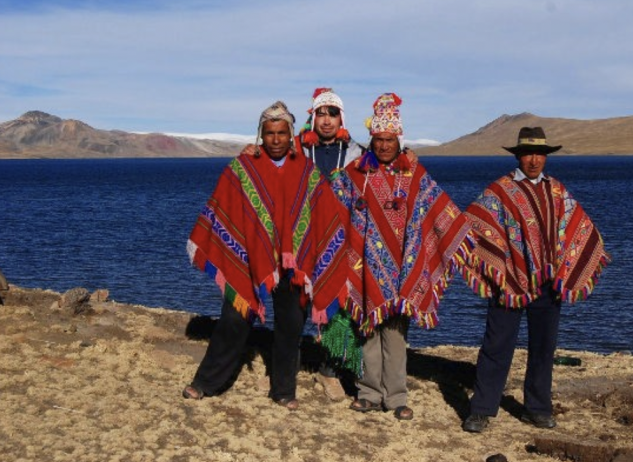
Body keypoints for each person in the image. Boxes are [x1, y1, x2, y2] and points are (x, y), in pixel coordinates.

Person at [182, 101, 348, 411]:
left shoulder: (306, 172)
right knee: (234, 319)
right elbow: (224, 202)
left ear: (291, 135)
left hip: (294, 263)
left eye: (281, 133)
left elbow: (324, 211)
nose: (275, 140)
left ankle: (283, 391)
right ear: (261, 134)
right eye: (269, 133)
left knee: (291, 324)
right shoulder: (243, 167)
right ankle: (206, 382)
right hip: (250, 261)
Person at [316, 92, 472, 421]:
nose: (384, 146)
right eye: (379, 139)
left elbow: (440, 210)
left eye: (389, 140)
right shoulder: (356, 174)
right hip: (363, 268)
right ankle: (369, 392)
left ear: (398, 140)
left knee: (396, 336)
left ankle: (397, 396)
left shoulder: (413, 174)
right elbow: (328, 205)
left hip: (403, 270)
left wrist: (470, 238)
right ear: (372, 140)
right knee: (367, 333)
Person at [459, 126, 610, 433]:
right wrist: (496, 263)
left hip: (548, 283)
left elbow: (577, 225)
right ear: (518, 156)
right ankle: (482, 409)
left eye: (539, 154)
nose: (533, 160)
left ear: (546, 157)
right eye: (528, 154)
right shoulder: (499, 190)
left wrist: (582, 254)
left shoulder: (557, 191)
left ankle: (537, 408)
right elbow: (473, 224)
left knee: (543, 347)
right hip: (509, 283)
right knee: (496, 345)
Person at [241, 87, 365, 401]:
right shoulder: (296, 147)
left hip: (339, 239)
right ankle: (284, 369)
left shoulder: (357, 154)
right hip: (297, 240)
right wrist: (250, 152)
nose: (326, 120)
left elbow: (385, 165)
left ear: (341, 118)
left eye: (332, 114)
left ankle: (330, 371)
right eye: (320, 113)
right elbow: (268, 156)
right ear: (313, 117)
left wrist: (407, 152)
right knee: (293, 310)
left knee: (339, 308)